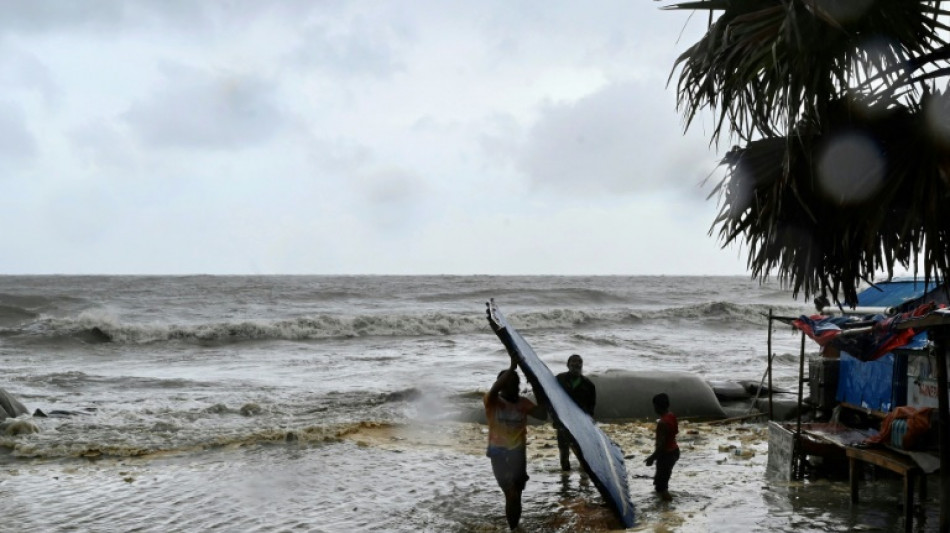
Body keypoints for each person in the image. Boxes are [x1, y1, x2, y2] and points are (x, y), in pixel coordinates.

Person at [485, 358, 547, 530]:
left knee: (516, 493)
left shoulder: (523, 403)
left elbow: (543, 415)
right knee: (511, 492)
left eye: (518, 383)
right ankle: (513, 528)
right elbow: (494, 389)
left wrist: (536, 384)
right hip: (498, 454)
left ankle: (514, 527)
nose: (517, 387)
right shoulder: (493, 402)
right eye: (513, 383)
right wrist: (511, 368)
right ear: (503, 385)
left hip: (518, 454)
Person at [554, 354, 596, 471]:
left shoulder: (589, 385)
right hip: (562, 421)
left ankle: (584, 478)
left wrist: (588, 423)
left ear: (582, 366)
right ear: (567, 365)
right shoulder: (559, 379)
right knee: (564, 451)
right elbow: (551, 396)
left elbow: (591, 407)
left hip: (580, 424)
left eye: (579, 363)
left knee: (582, 452)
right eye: (573, 363)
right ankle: (565, 477)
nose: (576, 365)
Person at [644, 392, 679, 501]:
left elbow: (661, 446)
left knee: (662, 485)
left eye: (654, 406)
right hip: (674, 451)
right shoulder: (672, 416)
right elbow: (675, 432)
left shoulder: (662, 423)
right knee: (661, 480)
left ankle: (667, 511)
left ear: (657, 407)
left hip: (666, 455)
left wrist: (651, 458)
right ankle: (661, 506)